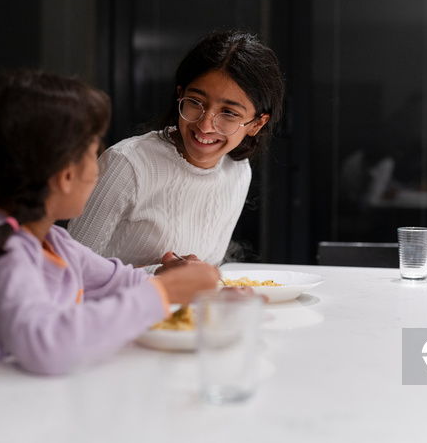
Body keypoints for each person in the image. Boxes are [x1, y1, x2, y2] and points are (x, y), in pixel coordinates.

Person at [0, 69, 219, 382]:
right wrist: (161, 293)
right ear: (66, 176)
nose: (97, 165)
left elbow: (118, 281)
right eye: (92, 151)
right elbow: (47, 344)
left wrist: (180, 280)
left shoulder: (54, 241)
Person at [67, 30, 285, 270]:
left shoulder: (238, 171)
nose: (205, 124)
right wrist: (159, 276)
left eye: (229, 113)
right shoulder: (126, 164)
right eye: (195, 102)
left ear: (256, 124)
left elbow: (208, 268)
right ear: (180, 95)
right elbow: (71, 272)